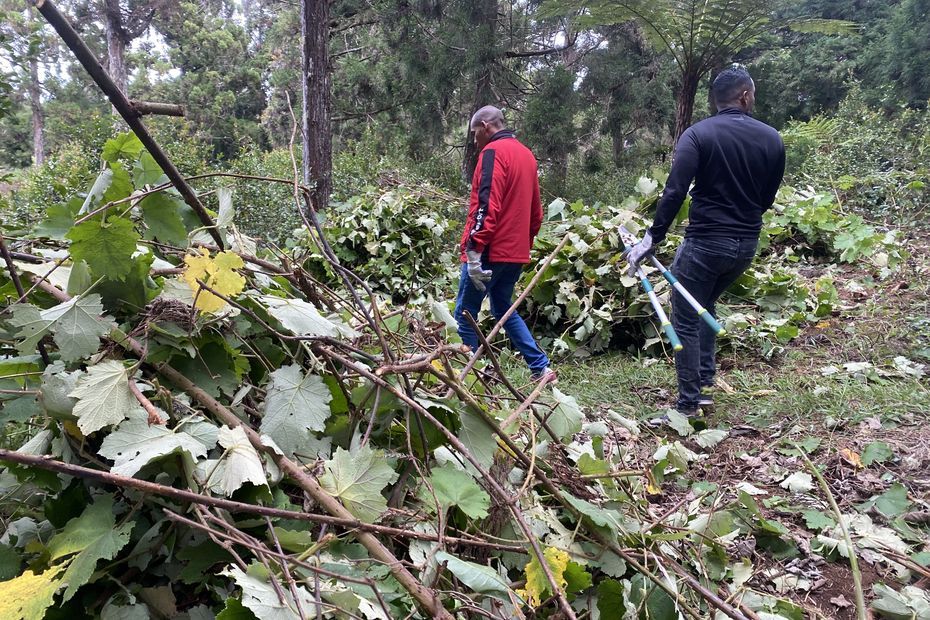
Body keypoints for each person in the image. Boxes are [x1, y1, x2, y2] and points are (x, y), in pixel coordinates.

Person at [625, 66, 785, 416]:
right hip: (745, 246)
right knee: (705, 305)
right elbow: (767, 198)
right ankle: (705, 388)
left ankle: (687, 405)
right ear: (745, 96)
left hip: (706, 243)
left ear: (716, 100)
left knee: (683, 318)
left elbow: (675, 190)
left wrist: (652, 237)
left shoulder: (697, 135)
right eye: (752, 94)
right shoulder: (772, 138)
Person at [454, 105, 555, 382]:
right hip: (515, 253)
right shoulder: (527, 155)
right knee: (503, 308)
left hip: (489, 252)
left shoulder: (492, 153)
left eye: (475, 134)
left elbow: (486, 205)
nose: (475, 141)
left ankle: (469, 378)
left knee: (465, 314)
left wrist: (474, 248)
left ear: (486, 126)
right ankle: (540, 367)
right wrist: (524, 244)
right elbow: (537, 213)